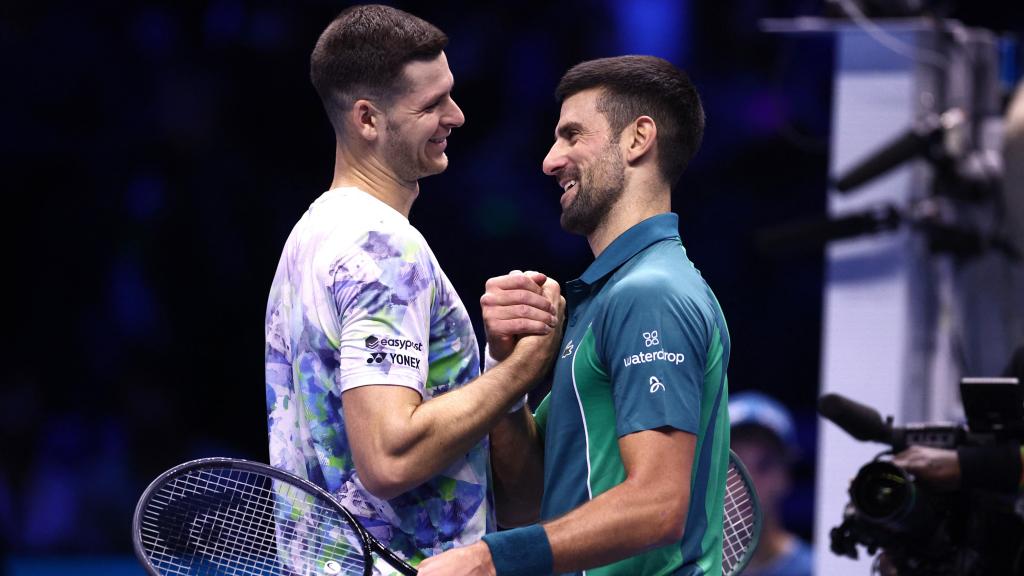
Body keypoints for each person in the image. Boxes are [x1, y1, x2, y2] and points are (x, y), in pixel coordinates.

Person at [263, 5, 563, 568]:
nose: (457, 115)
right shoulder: (383, 248)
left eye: (450, 93)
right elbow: (389, 457)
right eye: (432, 105)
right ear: (368, 119)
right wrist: (521, 370)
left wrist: (499, 376)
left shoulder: (309, 237)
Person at [419, 55, 730, 576]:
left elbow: (658, 505)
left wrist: (488, 559)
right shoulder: (604, 299)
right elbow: (534, 503)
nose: (549, 159)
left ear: (638, 139)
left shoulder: (651, 292)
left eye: (571, 135)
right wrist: (509, 373)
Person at [729, 391, 813, 576]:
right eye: (734, 466)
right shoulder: (684, 569)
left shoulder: (817, 570)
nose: (747, 481)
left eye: (764, 465)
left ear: (786, 477)